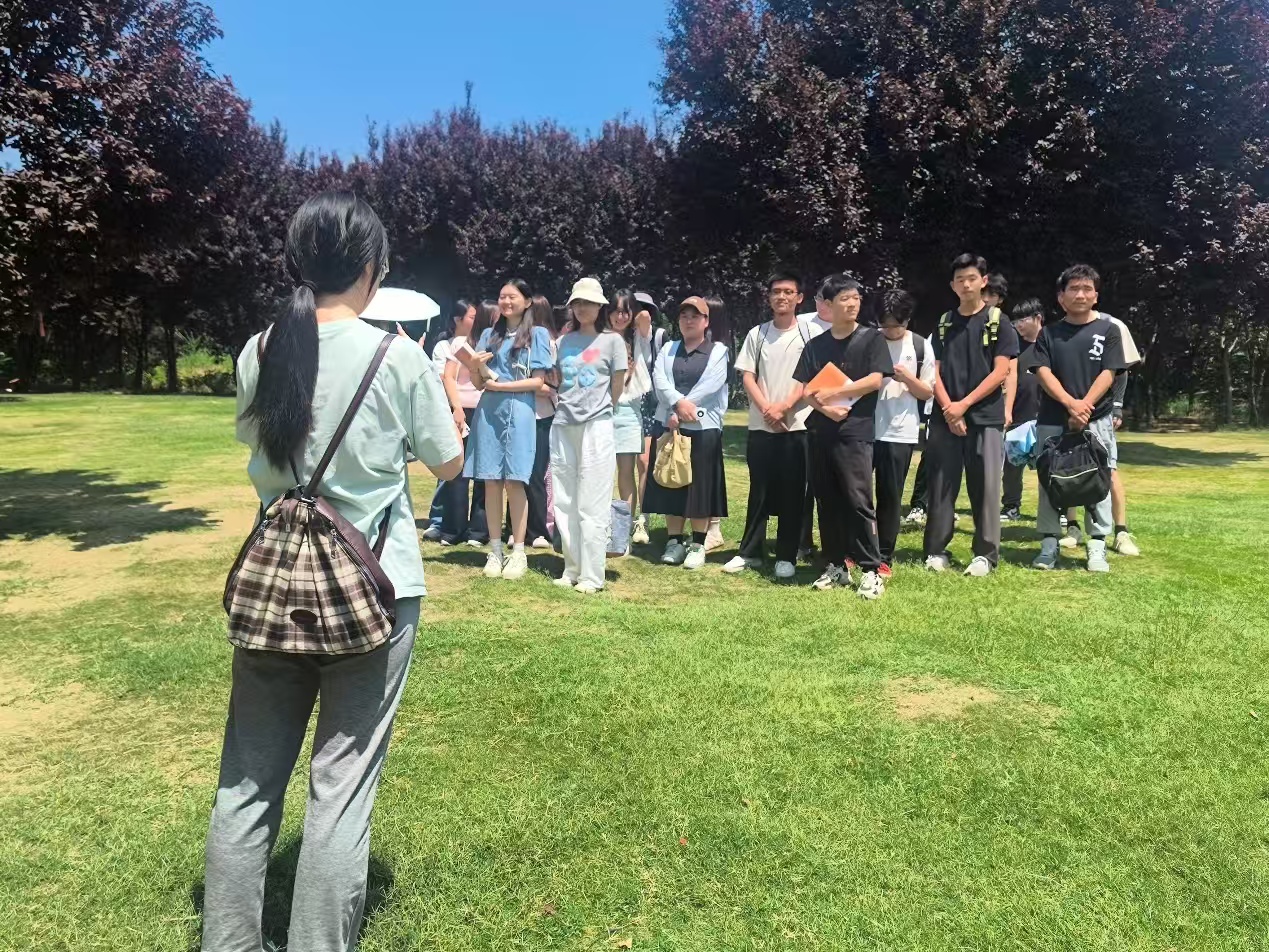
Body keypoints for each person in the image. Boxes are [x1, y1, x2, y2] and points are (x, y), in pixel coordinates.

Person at [203, 191, 464, 952]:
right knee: (341, 787)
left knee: (246, 781)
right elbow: (448, 462)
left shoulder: (259, 350)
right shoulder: (397, 356)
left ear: (297, 262)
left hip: (272, 584)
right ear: (372, 269)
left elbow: (255, 447)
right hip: (373, 590)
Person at [793, 274, 893, 599]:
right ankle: (836, 565)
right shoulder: (815, 345)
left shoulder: (871, 339)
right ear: (827, 305)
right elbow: (806, 391)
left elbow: (875, 380)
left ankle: (871, 569)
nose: (852, 304)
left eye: (856, 298)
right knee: (827, 499)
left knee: (858, 500)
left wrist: (835, 393)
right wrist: (827, 410)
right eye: (844, 299)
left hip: (856, 432)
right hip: (821, 432)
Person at [924, 254, 1020, 576]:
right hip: (945, 417)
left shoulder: (998, 321)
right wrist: (949, 408)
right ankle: (936, 550)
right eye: (959, 280)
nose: (966, 285)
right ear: (952, 285)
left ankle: (985, 555)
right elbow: (933, 371)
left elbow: (1001, 371)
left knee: (987, 487)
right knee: (941, 484)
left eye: (971, 278)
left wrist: (962, 405)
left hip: (986, 417)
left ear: (984, 281)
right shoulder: (944, 322)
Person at [1030, 264, 1129, 572]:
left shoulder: (1109, 330)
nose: (1080, 294)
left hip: (1096, 418)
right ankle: (1049, 545)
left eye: (1087, 289)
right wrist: (1070, 403)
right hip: (1052, 418)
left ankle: (1097, 546)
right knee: (1049, 479)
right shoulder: (1048, 334)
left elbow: (1109, 372)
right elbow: (1042, 372)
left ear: (1096, 296)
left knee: (1098, 479)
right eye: (1073, 288)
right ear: (1061, 297)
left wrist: (1084, 405)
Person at [725, 270, 819, 580]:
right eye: (776, 291)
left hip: (797, 426)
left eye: (788, 292)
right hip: (761, 425)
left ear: (799, 298)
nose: (782, 297)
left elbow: (812, 377)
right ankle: (750, 552)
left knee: (794, 493)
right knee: (759, 490)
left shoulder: (810, 333)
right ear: (768, 298)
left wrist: (785, 407)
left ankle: (786, 555)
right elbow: (747, 376)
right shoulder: (758, 333)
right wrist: (768, 409)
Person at [467, 278, 553, 580]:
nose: (505, 301)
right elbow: (479, 383)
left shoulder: (538, 335)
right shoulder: (489, 335)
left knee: (516, 481)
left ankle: (518, 551)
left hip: (520, 413)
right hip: (489, 413)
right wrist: (474, 366)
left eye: (512, 297)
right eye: (502, 296)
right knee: (491, 482)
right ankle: (495, 549)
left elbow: (538, 381)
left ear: (527, 302)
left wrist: (501, 386)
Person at [550, 278, 628, 593]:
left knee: (593, 501)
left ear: (600, 307)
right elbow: (557, 379)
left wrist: (601, 409)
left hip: (597, 425)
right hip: (563, 424)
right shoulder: (563, 342)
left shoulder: (613, 342)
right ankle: (571, 568)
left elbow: (617, 386)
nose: (583, 308)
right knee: (565, 499)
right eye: (578, 303)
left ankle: (592, 575)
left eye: (589, 303)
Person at [645, 296, 730, 570]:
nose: (689, 320)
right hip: (668, 425)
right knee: (672, 483)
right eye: (684, 316)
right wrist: (676, 404)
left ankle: (698, 544)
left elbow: (712, 385)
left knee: (700, 487)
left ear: (706, 321)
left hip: (702, 428)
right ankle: (674, 541)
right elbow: (659, 380)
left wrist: (682, 407)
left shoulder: (718, 351)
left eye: (695, 316)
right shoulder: (668, 348)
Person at [873, 289, 936, 577]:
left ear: (907, 320)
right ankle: (854, 549)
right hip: (864, 429)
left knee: (890, 497)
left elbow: (927, 392)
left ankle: (884, 555)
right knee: (857, 495)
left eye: (895, 325)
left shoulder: (920, 346)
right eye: (884, 324)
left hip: (900, 432)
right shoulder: (869, 341)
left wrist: (907, 377)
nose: (889, 330)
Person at [439, 300, 495, 546]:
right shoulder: (460, 343)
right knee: (457, 470)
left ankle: (479, 531)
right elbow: (448, 377)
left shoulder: (496, 343)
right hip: (462, 411)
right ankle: (453, 529)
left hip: (488, 410)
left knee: (485, 471)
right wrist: (457, 408)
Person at [422, 298, 476, 541]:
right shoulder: (443, 347)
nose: (476, 321)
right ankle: (438, 520)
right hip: (450, 410)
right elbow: (441, 378)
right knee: (450, 465)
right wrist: (455, 407)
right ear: (457, 319)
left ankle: (467, 525)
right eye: (472, 317)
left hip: (474, 408)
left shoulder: (479, 343)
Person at [610, 289, 653, 551]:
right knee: (600, 473)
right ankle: (602, 528)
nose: (620, 316)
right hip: (601, 411)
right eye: (615, 311)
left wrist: (634, 315)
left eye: (625, 311)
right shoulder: (600, 338)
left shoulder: (638, 338)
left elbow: (645, 318)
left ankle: (623, 533)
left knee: (626, 473)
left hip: (627, 410)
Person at [1001, 298, 1045, 521]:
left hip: (1046, 415)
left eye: (1023, 319)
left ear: (1038, 318)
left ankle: (1058, 509)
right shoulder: (1014, 347)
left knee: (1050, 465)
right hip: (1019, 413)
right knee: (1012, 465)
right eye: (1015, 320)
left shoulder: (1051, 343)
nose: (1018, 324)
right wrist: (1007, 410)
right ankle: (1011, 506)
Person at [631, 292, 667, 546]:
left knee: (644, 462)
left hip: (648, 402)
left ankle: (642, 518)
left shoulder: (658, 336)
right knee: (623, 466)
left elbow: (644, 319)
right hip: (623, 400)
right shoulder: (619, 336)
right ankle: (623, 517)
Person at [524, 294, 559, 549]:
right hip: (521, 414)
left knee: (536, 474)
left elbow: (551, 385)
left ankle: (537, 529)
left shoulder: (549, 342)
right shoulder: (518, 340)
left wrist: (535, 386)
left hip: (542, 416)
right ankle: (517, 527)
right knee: (517, 476)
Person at [700, 293, 731, 552]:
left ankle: (714, 527)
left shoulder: (719, 350)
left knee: (711, 475)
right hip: (695, 419)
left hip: (710, 420)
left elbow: (713, 388)